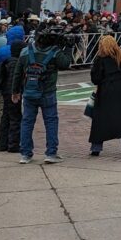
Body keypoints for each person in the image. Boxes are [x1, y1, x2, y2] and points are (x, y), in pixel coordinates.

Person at [12, 22, 73, 163]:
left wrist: (15, 91)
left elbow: (17, 73)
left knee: (27, 122)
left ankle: (25, 154)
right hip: (48, 92)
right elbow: (65, 64)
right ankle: (51, 153)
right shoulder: (55, 52)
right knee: (51, 122)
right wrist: (68, 47)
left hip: (29, 91)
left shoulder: (26, 51)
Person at [88, 36, 121, 157]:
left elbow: (95, 79)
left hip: (106, 91)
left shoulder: (100, 59)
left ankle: (96, 148)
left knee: (100, 120)